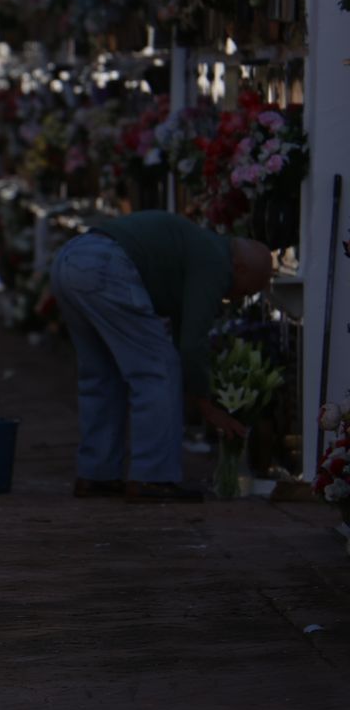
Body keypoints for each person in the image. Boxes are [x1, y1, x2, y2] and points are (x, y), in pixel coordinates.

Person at [48, 210, 274, 503]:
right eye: (245, 290)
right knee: (159, 370)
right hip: (104, 267)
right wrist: (207, 406)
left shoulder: (197, 247)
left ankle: (97, 474)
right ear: (240, 268)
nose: (234, 298)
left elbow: (184, 333)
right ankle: (152, 477)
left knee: (101, 375)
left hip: (70, 259)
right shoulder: (216, 261)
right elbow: (192, 345)